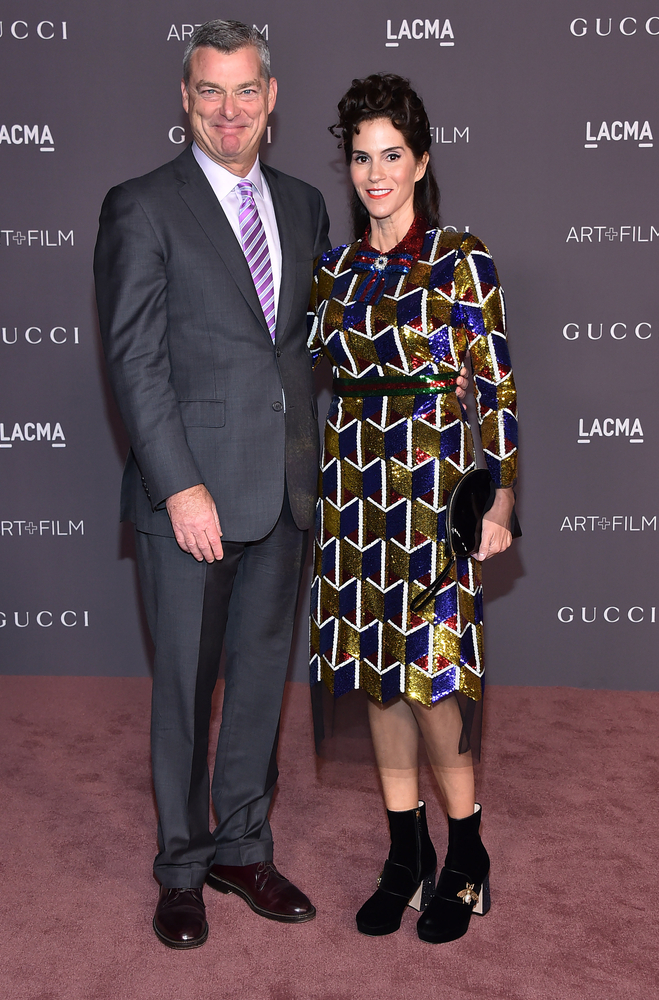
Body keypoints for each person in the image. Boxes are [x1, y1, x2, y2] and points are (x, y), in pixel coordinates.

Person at [94, 21, 331, 948]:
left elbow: (312, 350)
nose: (228, 114)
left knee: (263, 685)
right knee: (187, 694)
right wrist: (179, 486)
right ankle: (183, 869)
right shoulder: (140, 205)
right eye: (209, 93)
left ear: (271, 100)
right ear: (184, 101)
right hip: (190, 496)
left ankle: (243, 848)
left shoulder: (308, 205)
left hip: (284, 493)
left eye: (245, 93)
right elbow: (135, 360)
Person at [308, 74, 518, 944]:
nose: (375, 171)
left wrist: (500, 495)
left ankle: (466, 853)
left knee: (434, 681)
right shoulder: (334, 271)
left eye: (391, 153)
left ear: (422, 159)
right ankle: (407, 854)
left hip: (433, 500)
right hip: (355, 495)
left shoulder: (463, 259)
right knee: (377, 682)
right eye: (361, 156)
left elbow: (496, 386)